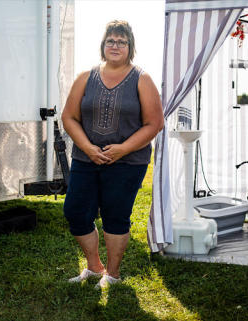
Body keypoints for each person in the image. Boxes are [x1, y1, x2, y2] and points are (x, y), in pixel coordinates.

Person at [60, 20, 163, 289]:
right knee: (76, 211)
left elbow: (154, 123)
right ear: (103, 45)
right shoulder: (86, 77)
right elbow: (69, 117)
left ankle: (113, 275)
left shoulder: (142, 79)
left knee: (115, 215)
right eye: (110, 41)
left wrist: (122, 149)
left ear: (130, 47)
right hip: (86, 159)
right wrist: (88, 148)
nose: (115, 45)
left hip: (128, 162)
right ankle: (95, 267)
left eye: (121, 41)